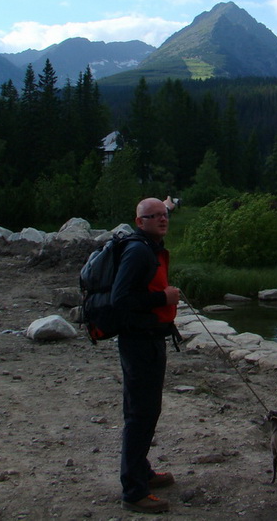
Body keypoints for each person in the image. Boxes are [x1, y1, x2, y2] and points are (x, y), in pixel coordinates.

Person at [112, 197, 182, 514]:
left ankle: (142, 473)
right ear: (140, 222)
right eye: (154, 216)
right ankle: (134, 492)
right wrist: (162, 297)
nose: (161, 219)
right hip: (139, 343)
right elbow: (121, 299)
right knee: (140, 415)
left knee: (146, 411)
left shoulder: (147, 245)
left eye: (164, 214)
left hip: (149, 340)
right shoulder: (138, 251)